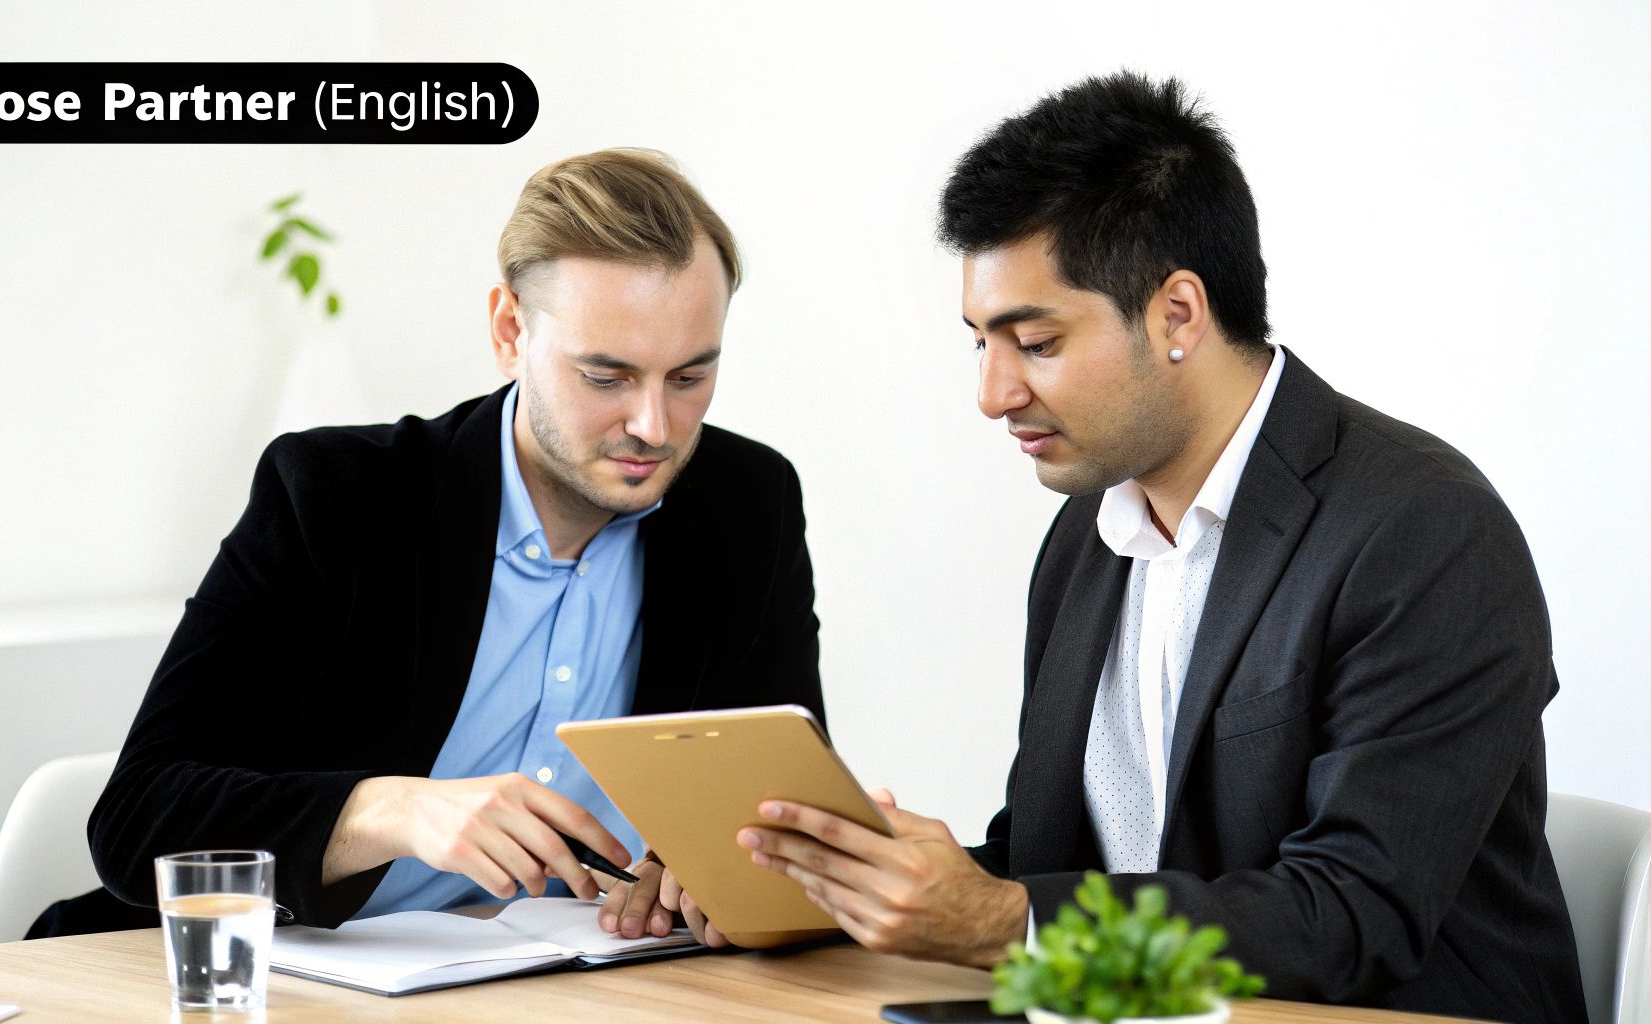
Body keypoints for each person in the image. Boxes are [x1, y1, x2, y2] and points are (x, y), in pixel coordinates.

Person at [733, 73, 1586, 1023]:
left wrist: (1002, 922)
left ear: (1178, 314)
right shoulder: (1087, 537)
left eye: (1037, 342)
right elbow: (1053, 866)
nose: (993, 392)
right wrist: (831, 883)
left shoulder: (1422, 532)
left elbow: (1353, 915)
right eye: (980, 342)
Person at [86, 148, 820, 945]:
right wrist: (392, 809)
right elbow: (138, 819)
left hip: (584, 987)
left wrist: (718, 868)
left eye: (688, 379)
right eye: (606, 378)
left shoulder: (749, 504)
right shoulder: (337, 497)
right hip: (275, 980)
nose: (653, 427)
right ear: (510, 330)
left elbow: (783, 808)